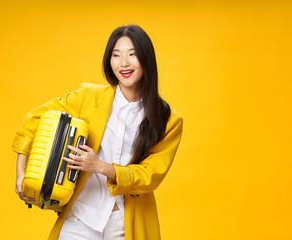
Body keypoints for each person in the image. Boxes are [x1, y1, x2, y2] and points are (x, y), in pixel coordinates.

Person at [13, 24, 183, 240]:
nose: (124, 63)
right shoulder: (88, 97)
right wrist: (21, 173)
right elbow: (34, 119)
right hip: (79, 217)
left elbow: (149, 176)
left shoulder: (168, 120)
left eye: (133, 54)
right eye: (116, 55)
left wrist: (100, 166)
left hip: (125, 222)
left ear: (146, 59)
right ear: (109, 60)